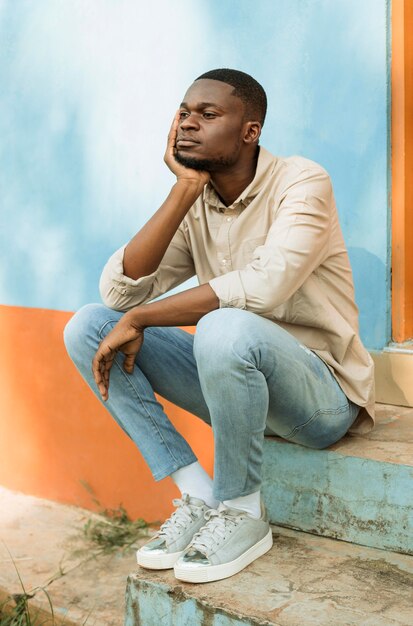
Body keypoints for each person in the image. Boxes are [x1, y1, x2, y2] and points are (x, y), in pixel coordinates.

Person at [64, 68, 375, 584]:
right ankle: (197, 493)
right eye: (184, 113)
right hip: (237, 387)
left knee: (224, 324)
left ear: (250, 131)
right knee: (90, 327)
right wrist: (184, 191)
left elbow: (264, 286)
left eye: (208, 115)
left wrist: (141, 319)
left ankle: (242, 511)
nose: (188, 123)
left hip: (319, 400)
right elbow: (121, 293)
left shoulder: (302, 182)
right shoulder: (199, 200)